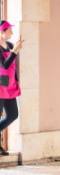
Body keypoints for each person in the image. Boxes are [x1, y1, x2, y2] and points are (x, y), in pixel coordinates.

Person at [0, 20, 23, 155]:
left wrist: (14, 49)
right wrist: (14, 51)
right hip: (0, 84)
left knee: (13, 114)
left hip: (10, 84)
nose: (12, 33)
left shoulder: (8, 44)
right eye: (9, 31)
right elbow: (5, 65)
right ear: (2, 32)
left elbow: (13, 66)